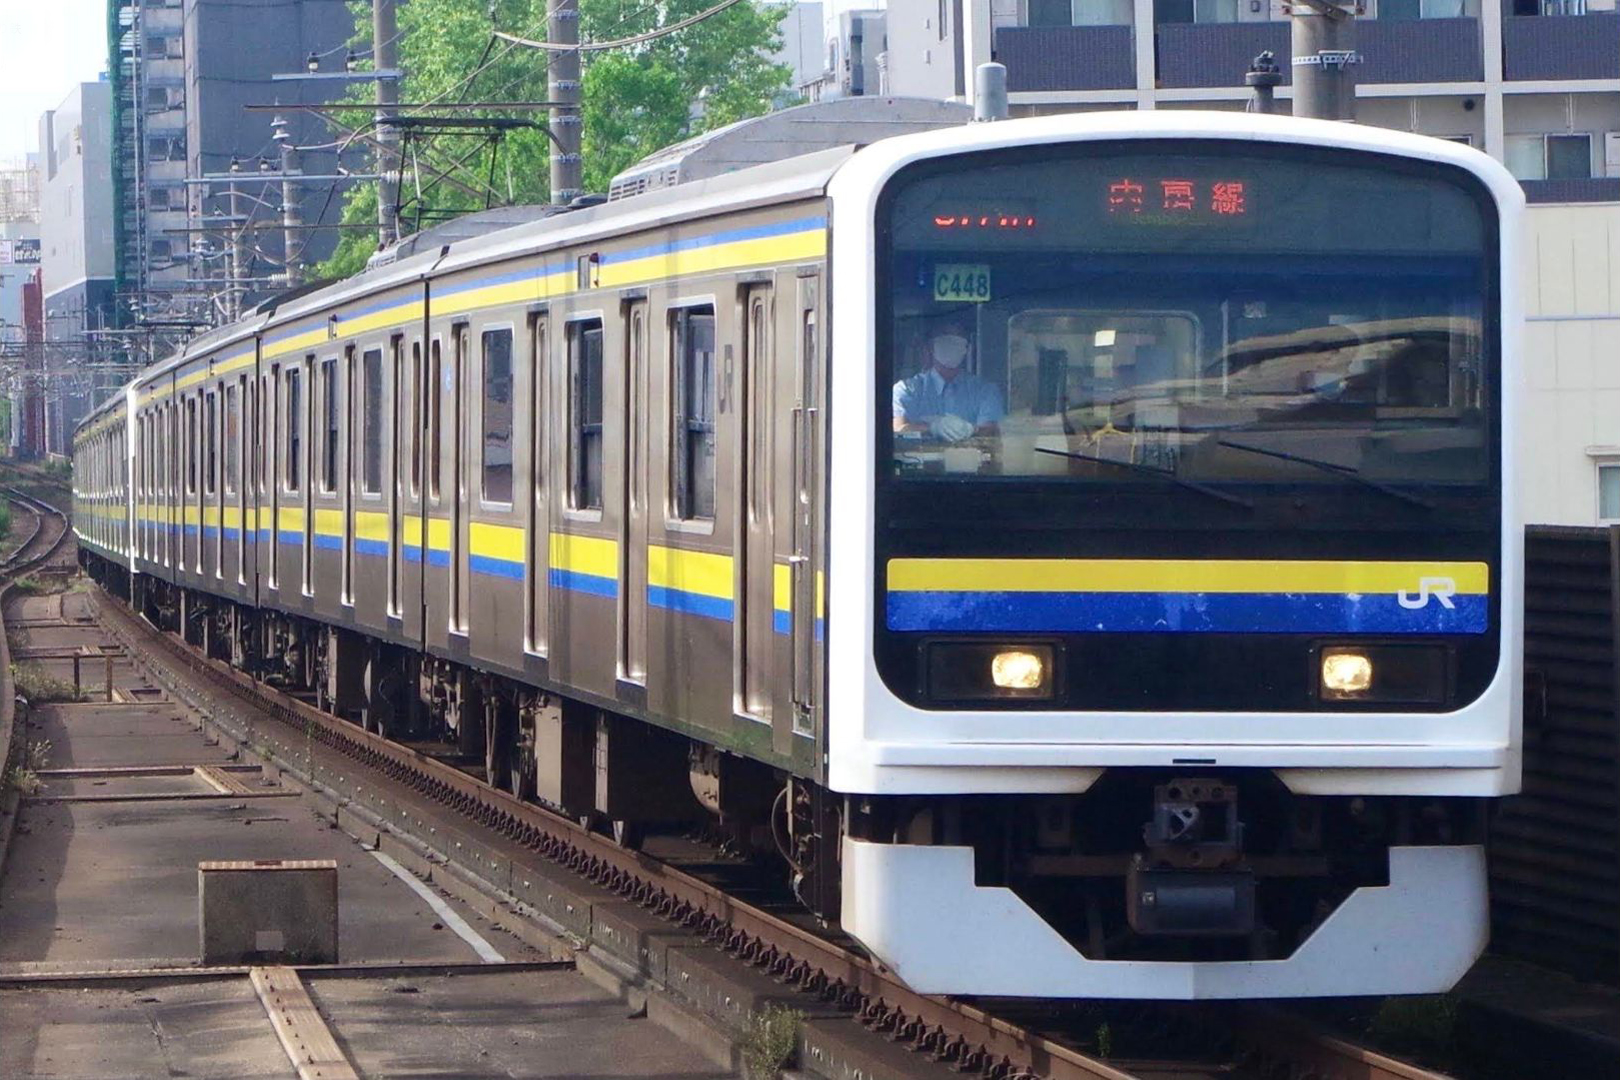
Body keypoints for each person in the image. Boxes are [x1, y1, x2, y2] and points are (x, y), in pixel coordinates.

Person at [892, 332, 1004, 442]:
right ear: (931, 347)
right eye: (946, 339)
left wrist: (971, 430)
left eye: (958, 341)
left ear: (966, 349)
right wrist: (932, 428)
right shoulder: (906, 390)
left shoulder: (985, 390)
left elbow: (992, 431)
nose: (952, 347)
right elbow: (898, 428)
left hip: (970, 454)